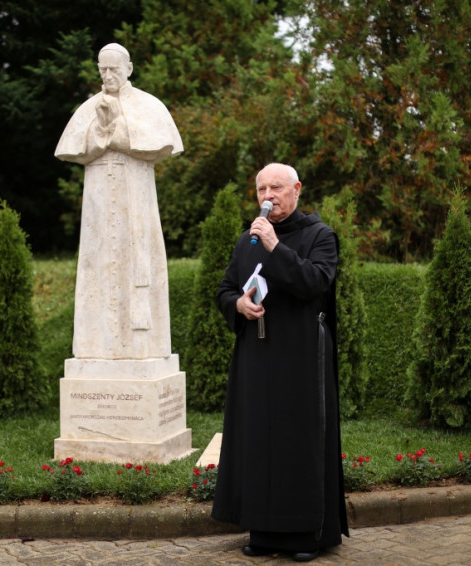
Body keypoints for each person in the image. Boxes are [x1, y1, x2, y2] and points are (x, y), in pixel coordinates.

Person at [211, 163, 349, 561]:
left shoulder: (320, 236)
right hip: (257, 355)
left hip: (302, 356)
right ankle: (263, 531)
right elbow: (225, 289)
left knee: (297, 440)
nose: (268, 196)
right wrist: (238, 304)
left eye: (276, 188)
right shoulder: (247, 240)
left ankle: (306, 536)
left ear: (296, 190)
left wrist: (275, 247)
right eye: (261, 190)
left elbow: (315, 282)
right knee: (258, 439)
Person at [55, 43, 183, 360]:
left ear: (129, 68)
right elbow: (74, 148)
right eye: (103, 69)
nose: (108, 75)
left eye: (114, 68)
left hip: (135, 195)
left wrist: (117, 126)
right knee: (97, 265)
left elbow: (158, 144)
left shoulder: (149, 106)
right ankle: (95, 346)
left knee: (139, 262)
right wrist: (100, 127)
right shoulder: (89, 108)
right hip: (98, 203)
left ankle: (143, 347)